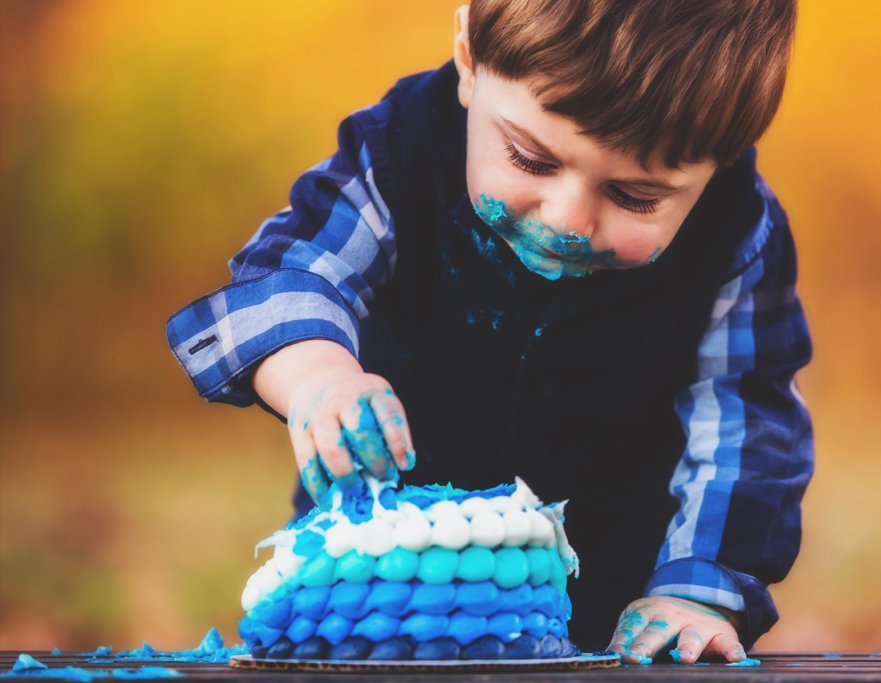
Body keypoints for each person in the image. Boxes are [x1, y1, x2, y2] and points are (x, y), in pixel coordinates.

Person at [167, 0, 813, 664]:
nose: (568, 220)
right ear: (471, 59)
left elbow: (744, 427)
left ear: (718, 164)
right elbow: (287, 279)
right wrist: (317, 375)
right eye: (531, 159)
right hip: (373, 603)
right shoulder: (401, 154)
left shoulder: (734, 234)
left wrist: (696, 591)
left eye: (635, 197)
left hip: (612, 629)